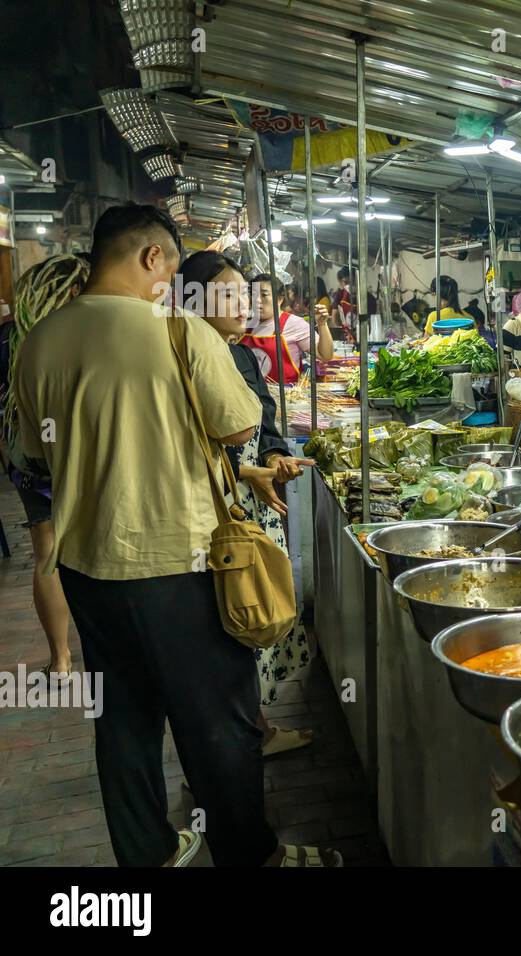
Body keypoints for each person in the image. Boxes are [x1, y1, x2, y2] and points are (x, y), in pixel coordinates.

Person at [15, 204, 340, 867]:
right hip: (179, 564)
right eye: (169, 266)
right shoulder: (179, 331)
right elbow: (238, 428)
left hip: (88, 570)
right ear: (150, 258)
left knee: (124, 719)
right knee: (218, 723)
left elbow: (33, 456)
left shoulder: (39, 343)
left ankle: (150, 855)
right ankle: (253, 857)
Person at [177, 251, 317, 756]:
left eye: (247, 292)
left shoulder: (239, 355)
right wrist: (244, 471)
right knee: (232, 614)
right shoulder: (185, 356)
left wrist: (275, 453)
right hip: (219, 513)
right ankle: (235, 742)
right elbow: (187, 447)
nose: (246, 303)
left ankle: (255, 726)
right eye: (230, 293)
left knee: (259, 602)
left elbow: (265, 413)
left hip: (253, 505)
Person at [1, 254, 89, 682]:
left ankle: (60, 658)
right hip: (78, 458)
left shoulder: (10, 338)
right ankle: (102, 644)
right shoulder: (77, 338)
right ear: (71, 292)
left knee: (46, 554)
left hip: (28, 463)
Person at [245, 271, 334, 384]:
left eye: (264, 295)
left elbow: (325, 355)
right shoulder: (243, 324)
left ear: (279, 299)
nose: (257, 300)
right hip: (249, 396)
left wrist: (322, 325)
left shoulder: (294, 324)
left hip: (284, 398)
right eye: (253, 294)